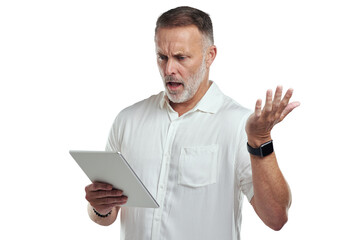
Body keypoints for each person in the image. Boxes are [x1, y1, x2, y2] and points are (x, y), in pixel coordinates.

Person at [84, 6, 300, 239]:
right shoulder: (127, 120)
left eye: (181, 57)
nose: (169, 69)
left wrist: (260, 141)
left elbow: (277, 218)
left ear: (210, 55)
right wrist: (99, 207)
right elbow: (106, 214)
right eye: (162, 57)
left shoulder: (238, 124)